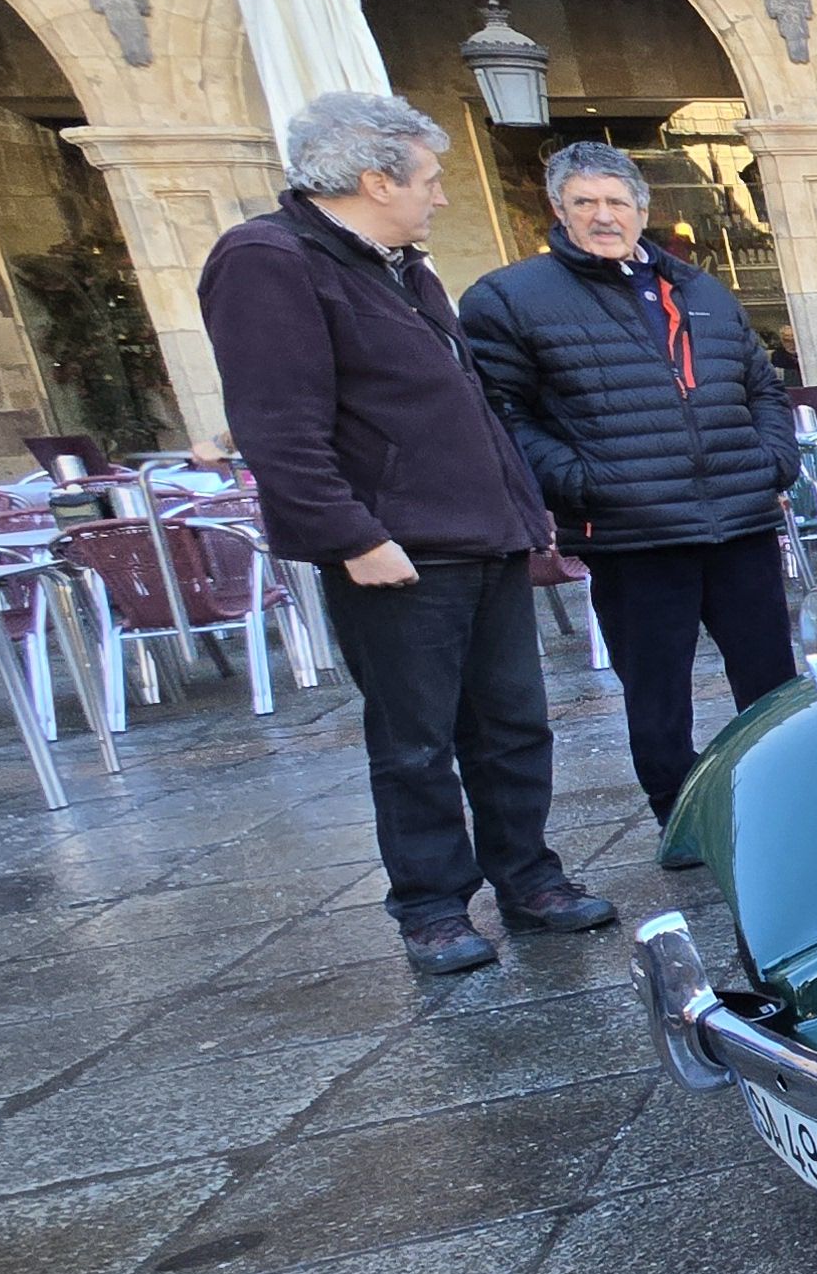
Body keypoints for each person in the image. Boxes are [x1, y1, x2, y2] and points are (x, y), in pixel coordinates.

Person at [203, 92, 608, 976]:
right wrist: (351, 535)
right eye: (430, 179)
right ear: (375, 178)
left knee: (512, 725)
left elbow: (458, 401)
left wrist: (519, 508)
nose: (441, 196)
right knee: (416, 739)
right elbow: (277, 423)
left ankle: (529, 878)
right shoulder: (267, 260)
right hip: (395, 548)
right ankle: (431, 908)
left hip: (482, 536)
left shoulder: (403, 267)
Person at [466, 140, 803, 828]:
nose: (603, 216)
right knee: (657, 694)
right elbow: (502, 414)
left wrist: (773, 461)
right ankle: (679, 820)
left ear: (642, 209)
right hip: (634, 529)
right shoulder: (511, 298)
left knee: (771, 683)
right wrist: (582, 483)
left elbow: (761, 385)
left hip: (737, 519)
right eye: (585, 202)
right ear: (558, 209)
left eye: (616, 201)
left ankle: (783, 806)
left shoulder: (699, 288)